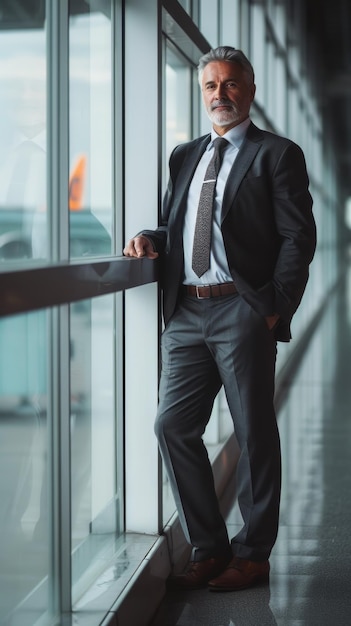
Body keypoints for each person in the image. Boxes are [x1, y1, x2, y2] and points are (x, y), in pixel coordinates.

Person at [123, 46, 316, 592]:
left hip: (242, 308)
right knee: (172, 426)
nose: (220, 94)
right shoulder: (185, 154)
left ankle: (253, 555)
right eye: (211, 85)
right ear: (201, 91)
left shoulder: (278, 153)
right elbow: (181, 224)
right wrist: (150, 238)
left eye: (231, 84)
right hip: (185, 310)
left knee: (254, 432)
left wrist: (274, 306)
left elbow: (297, 237)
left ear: (250, 91)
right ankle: (209, 547)